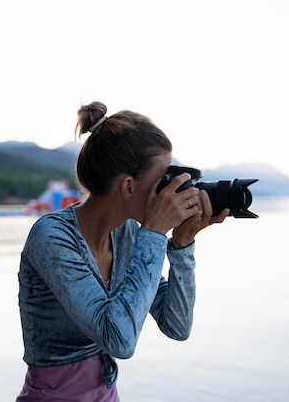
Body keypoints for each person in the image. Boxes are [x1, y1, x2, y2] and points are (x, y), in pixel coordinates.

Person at [15, 101, 228, 401]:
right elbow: (119, 340)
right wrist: (153, 233)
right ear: (128, 187)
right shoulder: (52, 237)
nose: (171, 192)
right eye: (163, 181)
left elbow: (177, 325)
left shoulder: (127, 235)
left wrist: (181, 247)